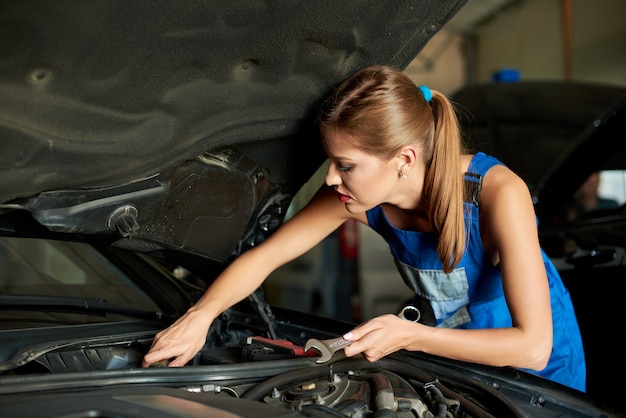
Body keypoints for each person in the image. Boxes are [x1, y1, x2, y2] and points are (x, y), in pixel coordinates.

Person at [142, 65, 586, 392]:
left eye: (347, 165)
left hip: (539, 375)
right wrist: (200, 316)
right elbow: (265, 257)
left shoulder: (497, 193)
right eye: (331, 161)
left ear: (404, 160)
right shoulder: (355, 198)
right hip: (454, 355)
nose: (332, 178)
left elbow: (533, 346)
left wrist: (411, 336)